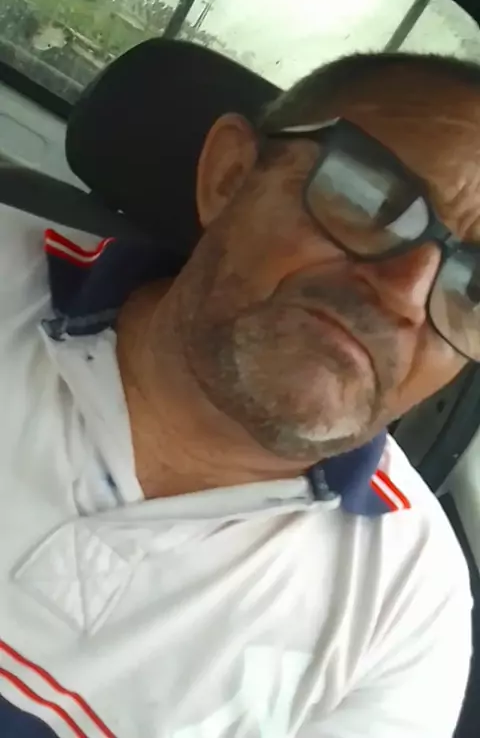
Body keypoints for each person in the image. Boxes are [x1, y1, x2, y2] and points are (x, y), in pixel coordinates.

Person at [0, 51, 475, 738]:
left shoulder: (407, 611)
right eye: (372, 198)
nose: (404, 295)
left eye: (476, 289)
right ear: (230, 176)